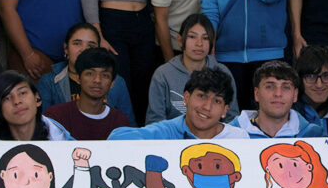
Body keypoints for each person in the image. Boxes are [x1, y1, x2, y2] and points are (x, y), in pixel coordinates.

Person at [35, 22, 136, 125]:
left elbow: (129, 126)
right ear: (66, 48)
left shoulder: (117, 82)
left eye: (91, 45)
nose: (83, 50)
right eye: (77, 43)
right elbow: (42, 126)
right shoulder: (48, 82)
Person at [146, 13, 238, 124]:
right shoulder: (163, 74)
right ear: (180, 40)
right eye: (192, 37)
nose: (199, 43)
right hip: (173, 138)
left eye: (205, 38)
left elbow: (232, 118)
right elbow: (154, 121)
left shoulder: (223, 73)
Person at [110, 68, 249, 140]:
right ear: (186, 97)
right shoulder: (167, 131)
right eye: (201, 96)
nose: (207, 107)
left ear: (225, 110)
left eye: (217, 101)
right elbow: (116, 138)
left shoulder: (238, 138)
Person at [44, 48, 131, 140]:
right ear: (78, 78)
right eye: (90, 74)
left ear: (112, 83)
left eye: (105, 75)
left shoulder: (120, 121)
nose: (97, 80)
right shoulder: (56, 116)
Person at [234, 61, 323, 139]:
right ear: (256, 94)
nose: (278, 93)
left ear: (295, 95)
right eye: (269, 87)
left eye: (286, 87)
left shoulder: (314, 135)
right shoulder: (230, 134)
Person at [0, 71, 73, 141]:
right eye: (7, 98)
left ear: (37, 99)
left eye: (22, 93)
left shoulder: (60, 137)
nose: (17, 101)